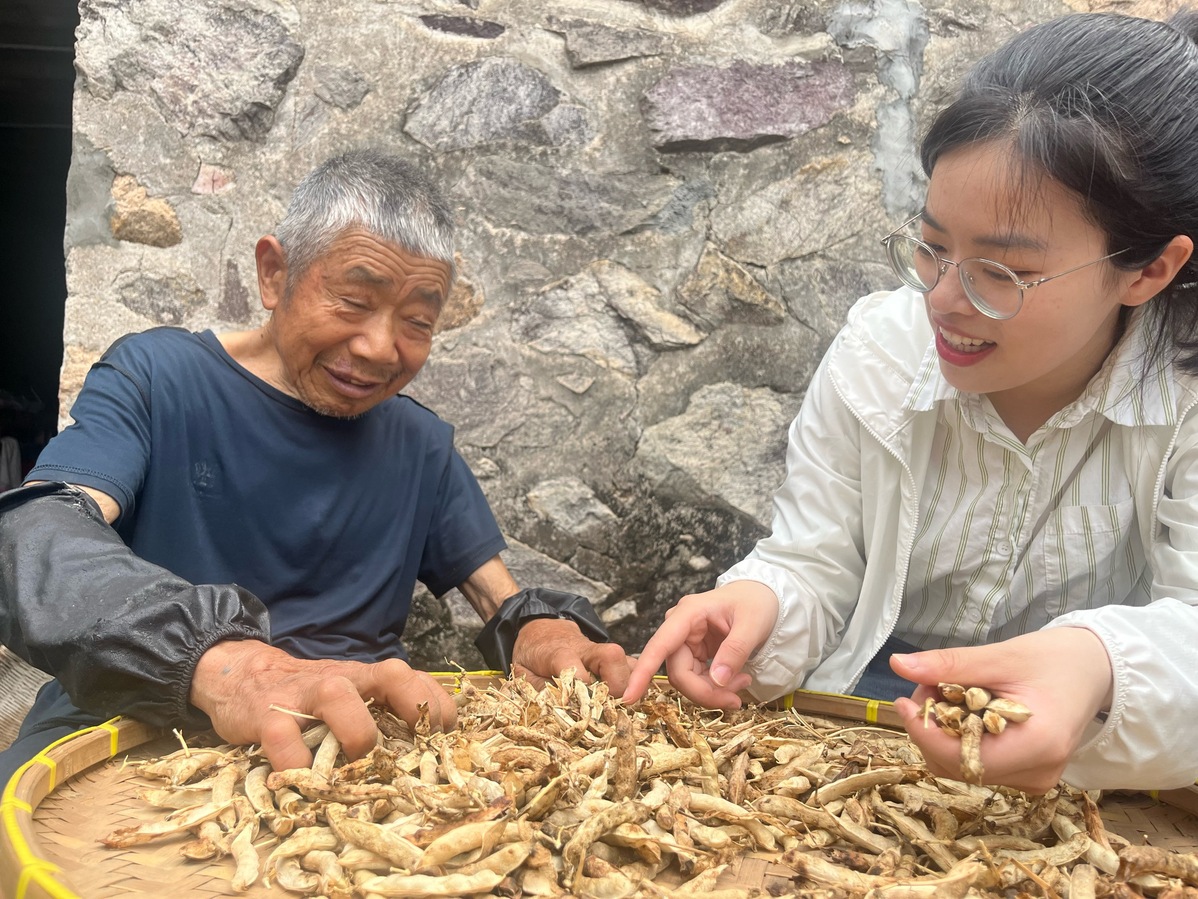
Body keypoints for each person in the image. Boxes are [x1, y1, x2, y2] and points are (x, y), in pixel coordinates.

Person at [624, 10, 1198, 795]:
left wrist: (1098, 665)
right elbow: (816, 558)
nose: (943, 300)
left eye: (1003, 272)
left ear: (1148, 271)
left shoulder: (1185, 396)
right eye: (932, 246)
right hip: (868, 719)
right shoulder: (880, 353)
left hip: (1102, 760)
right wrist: (761, 601)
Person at [0, 149, 631, 785]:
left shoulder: (419, 443)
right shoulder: (158, 377)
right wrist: (229, 667)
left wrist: (545, 637)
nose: (380, 347)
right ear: (274, 274)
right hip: (140, 731)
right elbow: (38, 529)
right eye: (354, 300)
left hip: (352, 747)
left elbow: (503, 602)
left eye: (416, 321)